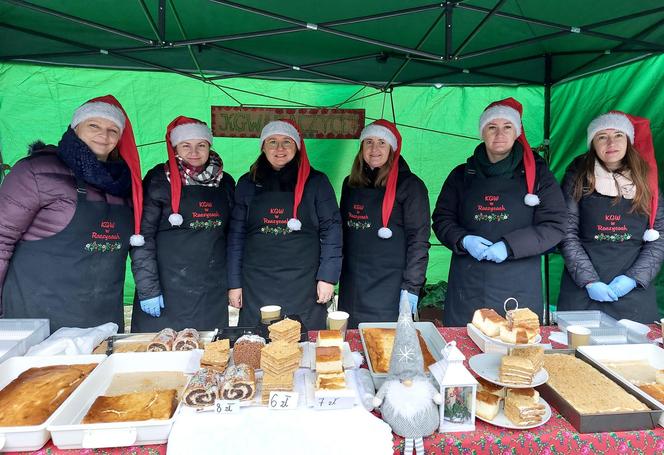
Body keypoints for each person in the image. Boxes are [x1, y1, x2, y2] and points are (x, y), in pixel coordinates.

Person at [0, 95, 144, 332]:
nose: (104, 135)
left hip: (101, 316)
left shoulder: (126, 184)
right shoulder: (36, 171)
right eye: (94, 126)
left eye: (113, 130)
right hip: (37, 315)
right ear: (75, 128)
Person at [432, 98, 566, 327]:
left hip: (518, 283)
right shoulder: (461, 175)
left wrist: (509, 246)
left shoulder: (539, 175)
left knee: (514, 356)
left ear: (517, 133)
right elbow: (442, 218)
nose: (499, 134)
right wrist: (464, 240)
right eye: (492, 127)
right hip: (468, 284)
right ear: (482, 133)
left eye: (507, 127)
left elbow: (554, 225)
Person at [227, 120, 342, 330]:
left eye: (286, 142)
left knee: (303, 345)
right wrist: (234, 284)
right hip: (257, 284)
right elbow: (236, 236)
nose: (279, 148)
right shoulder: (247, 183)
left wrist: (327, 278)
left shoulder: (317, 182)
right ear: (263, 146)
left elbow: (332, 230)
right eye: (272, 141)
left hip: (304, 284)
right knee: (258, 344)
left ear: (297, 146)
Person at [130, 116, 235, 331]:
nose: (194, 152)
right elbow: (143, 237)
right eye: (186, 145)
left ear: (209, 146)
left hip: (210, 290)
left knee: (208, 356)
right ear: (176, 147)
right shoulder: (158, 179)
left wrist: (232, 284)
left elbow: (232, 236)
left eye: (201, 145)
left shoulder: (226, 183)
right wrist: (148, 289)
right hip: (167, 289)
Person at [558, 112, 664, 323]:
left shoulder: (647, 178)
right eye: (602, 137)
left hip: (633, 295)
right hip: (582, 292)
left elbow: (659, 236)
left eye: (618, 135)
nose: (611, 143)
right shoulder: (577, 175)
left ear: (628, 141)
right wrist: (589, 281)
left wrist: (632, 279)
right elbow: (566, 231)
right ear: (593, 143)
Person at [338, 119, 430, 327]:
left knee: (381, 346)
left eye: (382, 142)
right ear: (361, 148)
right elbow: (340, 232)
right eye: (368, 142)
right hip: (352, 284)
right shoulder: (349, 183)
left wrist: (411, 288)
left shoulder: (411, 186)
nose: (374, 148)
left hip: (390, 285)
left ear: (392, 149)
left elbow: (419, 240)